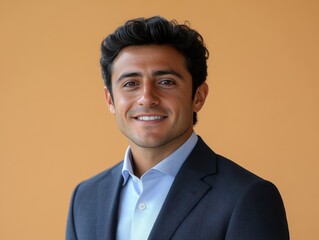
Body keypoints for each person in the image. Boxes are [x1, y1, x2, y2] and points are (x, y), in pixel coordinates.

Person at [66, 16, 289, 240]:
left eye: (166, 82)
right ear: (110, 100)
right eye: (130, 84)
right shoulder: (85, 198)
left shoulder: (247, 197)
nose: (147, 98)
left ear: (198, 97)